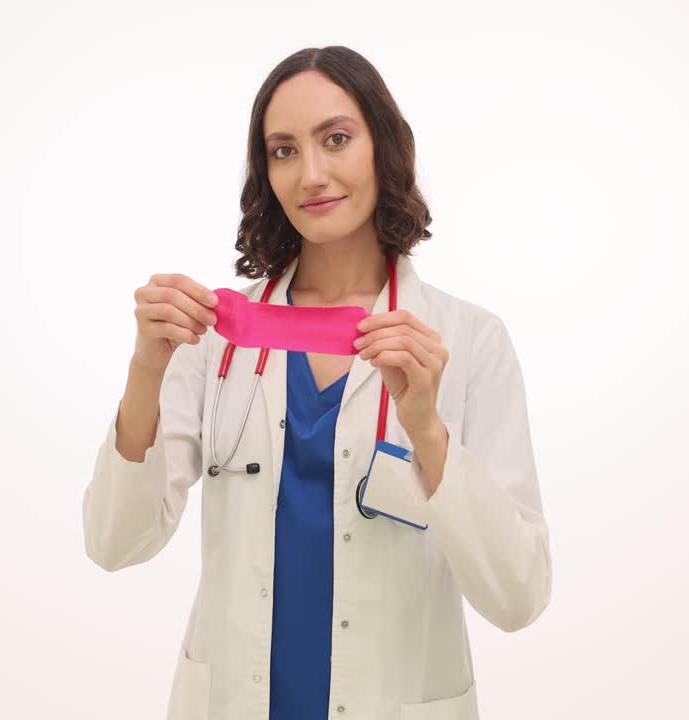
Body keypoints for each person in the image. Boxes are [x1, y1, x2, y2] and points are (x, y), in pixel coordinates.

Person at [83, 45, 551, 720]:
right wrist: (146, 369)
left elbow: (520, 595)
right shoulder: (215, 339)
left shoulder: (470, 340)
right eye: (283, 150)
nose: (311, 174)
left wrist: (426, 429)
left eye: (336, 139)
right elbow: (114, 544)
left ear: (383, 148)